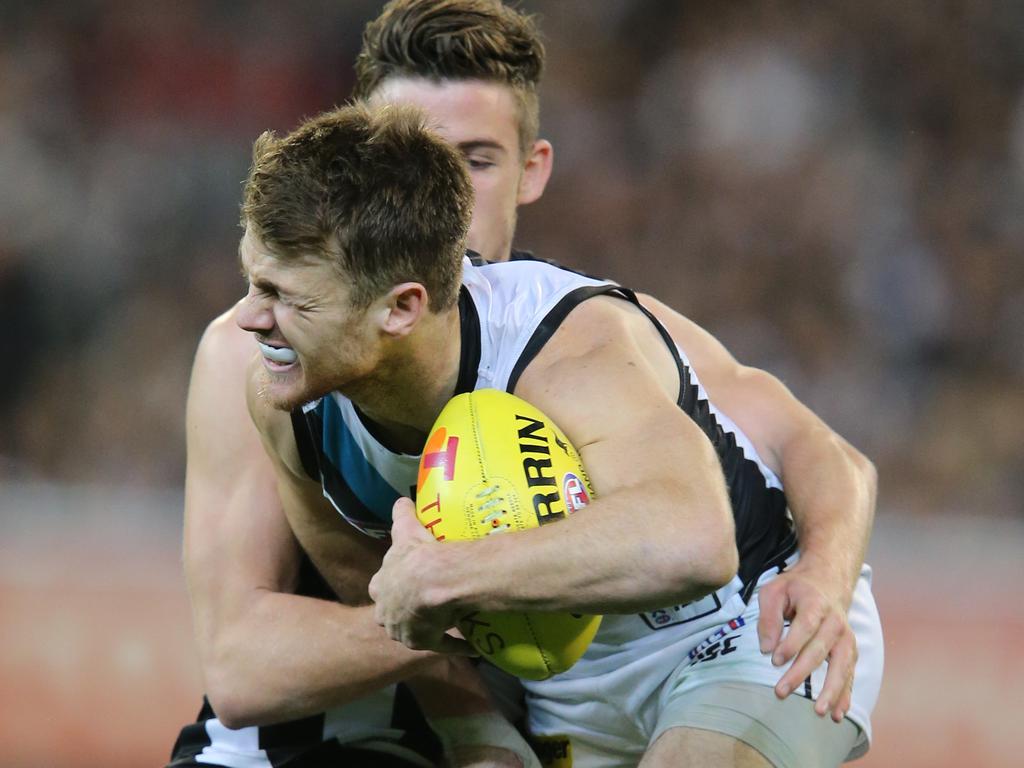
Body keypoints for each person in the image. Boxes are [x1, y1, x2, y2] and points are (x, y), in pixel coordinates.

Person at [171, 1, 880, 766]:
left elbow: (720, 522)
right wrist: (482, 739)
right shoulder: (278, 377)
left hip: (731, 632)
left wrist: (826, 576)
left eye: (470, 159)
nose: (436, 192)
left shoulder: (576, 333)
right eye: (413, 156)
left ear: (529, 169)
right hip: (553, 687)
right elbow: (390, 612)